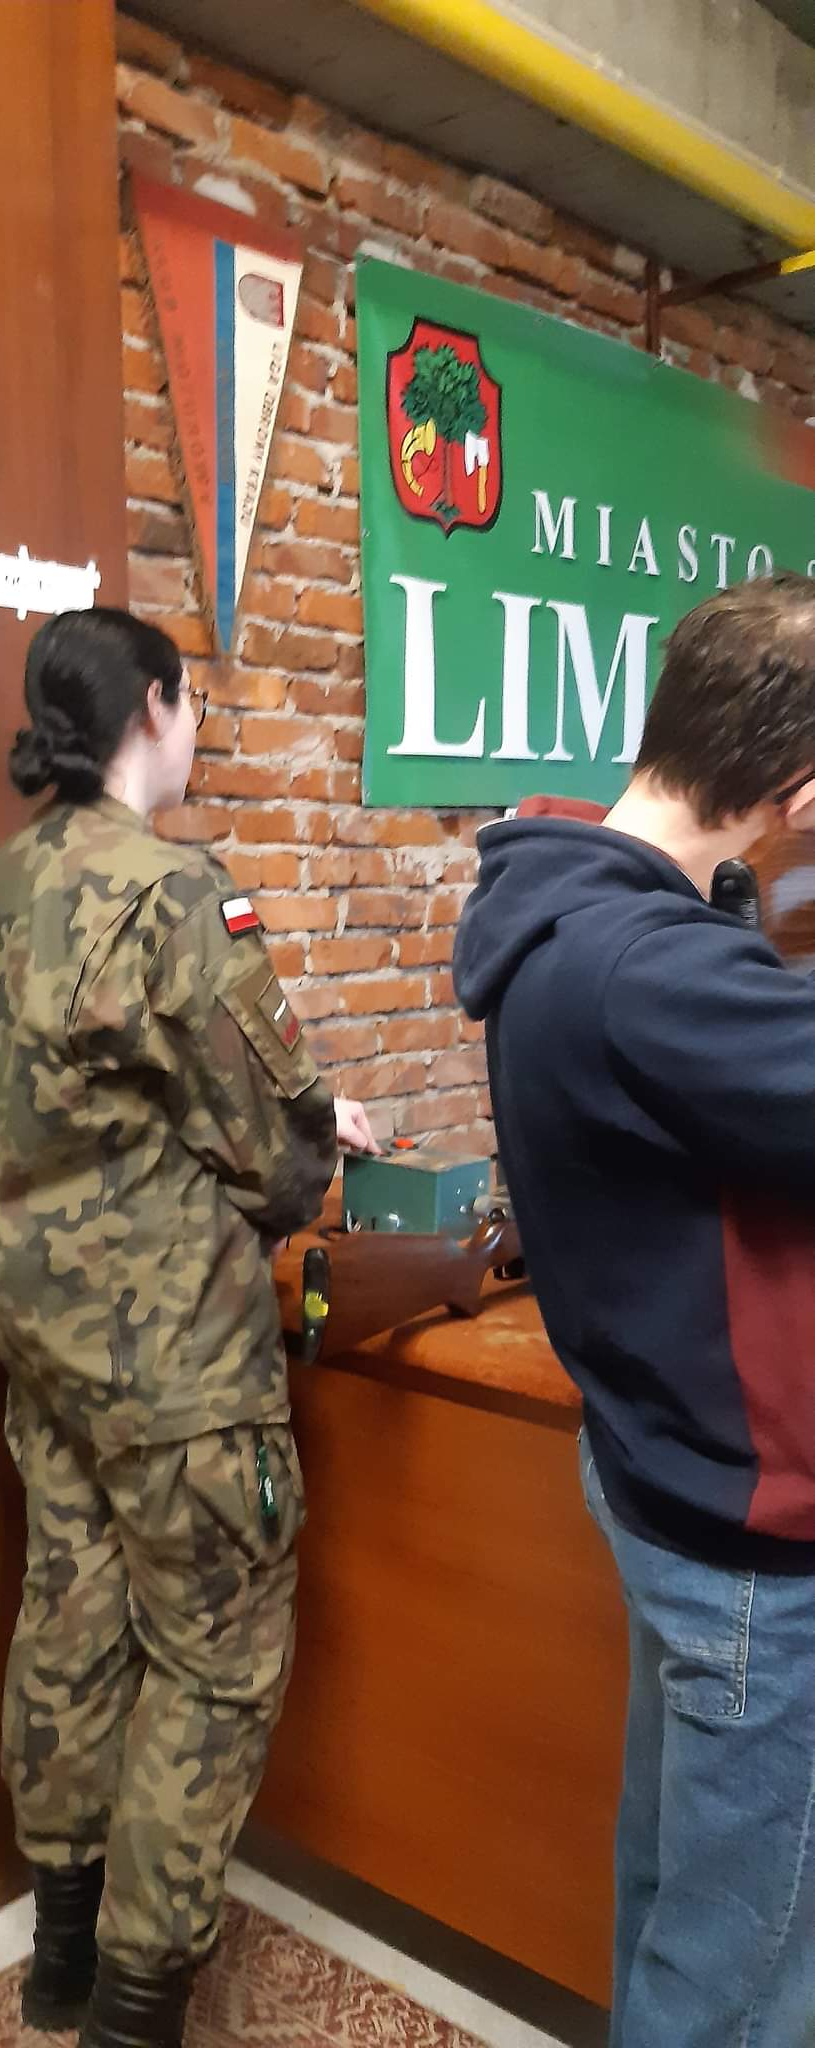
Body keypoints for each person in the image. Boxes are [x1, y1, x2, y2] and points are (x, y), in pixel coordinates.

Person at [0, 607, 376, 2048]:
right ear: (152, 707)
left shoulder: (1, 886)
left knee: (69, 1624)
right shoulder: (174, 893)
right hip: (178, 1369)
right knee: (215, 1661)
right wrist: (316, 1139)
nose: (196, 730)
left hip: (44, 1353)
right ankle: (136, 2012)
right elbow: (280, 1156)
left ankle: (60, 1962)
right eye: (192, 705)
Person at [453, 573, 815, 2048]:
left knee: (681, 1891)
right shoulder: (652, 972)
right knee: (744, 1973)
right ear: (797, 792)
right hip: (746, 1533)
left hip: (667, 1472)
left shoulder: (575, 900)